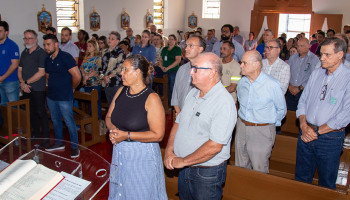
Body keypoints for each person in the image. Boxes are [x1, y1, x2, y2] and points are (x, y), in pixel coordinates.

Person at [164, 52, 236, 200]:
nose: (191, 72)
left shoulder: (223, 102)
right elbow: (178, 123)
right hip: (185, 166)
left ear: (212, 73)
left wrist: (182, 161)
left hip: (206, 172)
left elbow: (215, 146)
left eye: (196, 69)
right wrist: (170, 151)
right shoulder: (193, 93)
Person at [107, 55, 167, 199]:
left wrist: (126, 135)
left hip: (142, 155)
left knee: (140, 193)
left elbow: (158, 135)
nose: (121, 73)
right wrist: (114, 131)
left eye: (125, 70)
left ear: (138, 72)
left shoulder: (151, 98)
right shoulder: (121, 91)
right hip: (120, 151)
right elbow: (109, 117)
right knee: (121, 191)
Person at [295, 38, 350, 189]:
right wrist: (304, 126)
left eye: (327, 55)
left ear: (340, 55)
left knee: (326, 183)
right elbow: (303, 102)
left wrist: (317, 131)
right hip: (306, 132)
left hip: (330, 137)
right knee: (301, 179)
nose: (322, 58)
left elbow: (346, 114)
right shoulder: (316, 73)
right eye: (321, 54)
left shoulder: (347, 77)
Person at [235, 50, 286, 173]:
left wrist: (268, 125)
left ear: (257, 64)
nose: (241, 65)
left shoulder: (272, 85)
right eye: (241, 62)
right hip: (242, 127)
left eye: (244, 63)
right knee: (240, 166)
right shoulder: (242, 82)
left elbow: (281, 110)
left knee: (259, 169)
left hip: (261, 130)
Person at [43, 34, 81, 158]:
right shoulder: (48, 59)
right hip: (52, 95)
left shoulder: (66, 57)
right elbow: (48, 75)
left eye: (48, 44)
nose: (46, 47)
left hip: (64, 96)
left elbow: (77, 76)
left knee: (69, 121)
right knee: (55, 120)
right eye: (44, 45)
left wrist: (72, 87)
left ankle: (75, 147)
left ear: (56, 44)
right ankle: (59, 143)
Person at [18, 29, 49, 144]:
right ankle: (35, 135)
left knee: (41, 112)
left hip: (38, 89)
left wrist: (26, 83)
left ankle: (46, 138)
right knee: (31, 113)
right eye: (25, 38)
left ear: (36, 40)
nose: (27, 40)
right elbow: (19, 70)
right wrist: (22, 83)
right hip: (26, 88)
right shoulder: (24, 53)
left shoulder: (41, 53)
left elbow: (41, 73)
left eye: (30, 38)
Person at [171, 35, 205, 114]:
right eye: (186, 45)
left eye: (191, 46)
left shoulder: (206, 71)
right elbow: (175, 93)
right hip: (181, 114)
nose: (186, 48)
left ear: (200, 49)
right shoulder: (182, 69)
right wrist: (179, 113)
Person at [286, 38, 320, 111]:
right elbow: (287, 73)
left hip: (304, 91)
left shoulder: (314, 59)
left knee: (302, 113)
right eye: (298, 46)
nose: (299, 48)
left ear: (308, 46)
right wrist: (289, 86)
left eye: (302, 46)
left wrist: (300, 88)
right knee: (290, 114)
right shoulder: (292, 58)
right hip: (291, 90)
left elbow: (313, 77)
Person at [99, 31, 126, 105]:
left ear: (117, 41)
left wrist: (109, 76)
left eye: (112, 39)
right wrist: (103, 77)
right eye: (109, 38)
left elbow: (120, 67)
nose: (109, 40)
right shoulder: (104, 52)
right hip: (106, 83)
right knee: (110, 105)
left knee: (117, 105)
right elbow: (100, 67)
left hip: (116, 83)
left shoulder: (120, 52)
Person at [81, 39, 102, 120]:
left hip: (95, 83)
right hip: (87, 83)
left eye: (90, 46)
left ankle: (98, 121)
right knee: (90, 102)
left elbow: (97, 70)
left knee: (96, 103)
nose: (88, 48)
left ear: (94, 47)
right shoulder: (86, 57)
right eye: (87, 46)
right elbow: (82, 67)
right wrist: (84, 76)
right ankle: (92, 120)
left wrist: (87, 76)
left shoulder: (98, 58)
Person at [158, 34, 182, 108]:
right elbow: (161, 59)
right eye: (169, 39)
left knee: (171, 87)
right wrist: (161, 66)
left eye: (172, 39)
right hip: (164, 70)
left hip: (173, 70)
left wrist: (168, 68)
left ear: (175, 40)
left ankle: (172, 104)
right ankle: (165, 101)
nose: (170, 41)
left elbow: (178, 60)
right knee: (163, 86)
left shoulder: (177, 49)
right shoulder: (165, 49)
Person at [0, 21, 20, 106]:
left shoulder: (12, 45)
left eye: (0, 31)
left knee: (13, 108)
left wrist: (2, 77)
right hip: (0, 81)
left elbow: (15, 64)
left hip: (10, 82)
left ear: (6, 32)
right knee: (4, 107)